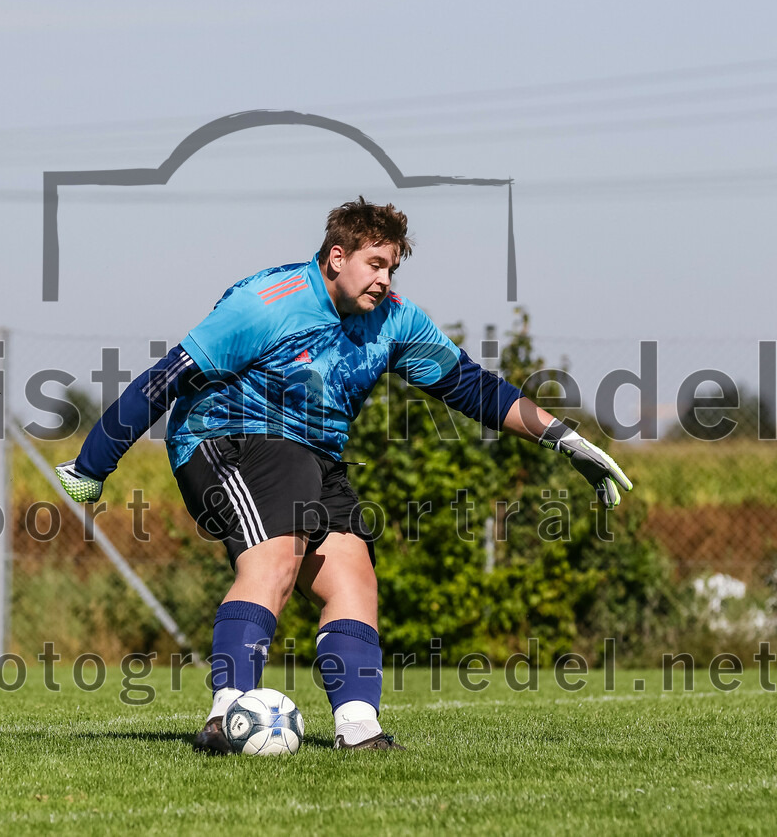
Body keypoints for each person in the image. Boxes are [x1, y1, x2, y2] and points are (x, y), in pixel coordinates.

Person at [56, 197, 631, 753]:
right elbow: (166, 378)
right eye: (374, 263)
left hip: (314, 454)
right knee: (275, 557)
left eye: (392, 266)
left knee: (351, 578)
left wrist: (564, 437)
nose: (384, 279)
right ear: (336, 257)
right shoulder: (266, 302)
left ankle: (359, 729)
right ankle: (225, 713)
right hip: (224, 437)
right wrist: (92, 465)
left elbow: (474, 388)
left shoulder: (395, 321)